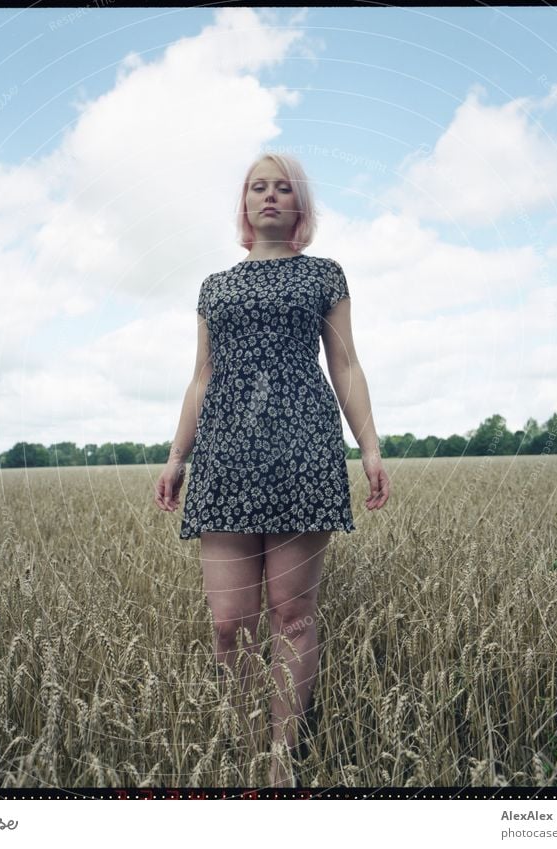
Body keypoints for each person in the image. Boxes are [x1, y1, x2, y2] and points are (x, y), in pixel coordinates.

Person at [154, 153, 389, 788]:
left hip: (303, 454)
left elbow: (346, 365)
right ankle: (241, 746)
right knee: (229, 623)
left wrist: (368, 446)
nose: (270, 196)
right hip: (226, 457)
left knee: (293, 614)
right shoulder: (216, 287)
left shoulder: (324, 276)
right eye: (258, 187)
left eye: (283, 188)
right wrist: (178, 457)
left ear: (300, 207)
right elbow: (201, 379)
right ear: (244, 204)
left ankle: (283, 759)